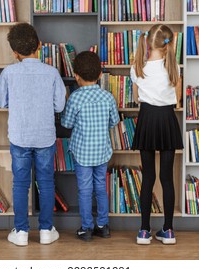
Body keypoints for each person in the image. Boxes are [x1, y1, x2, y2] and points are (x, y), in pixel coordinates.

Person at [0, 23, 66, 246]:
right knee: (46, 182)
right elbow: (59, 105)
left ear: (14, 52)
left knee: (20, 184)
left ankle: (21, 232)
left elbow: (1, 101)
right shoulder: (52, 72)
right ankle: (46, 230)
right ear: (39, 46)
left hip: (20, 136)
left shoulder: (9, 72)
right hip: (45, 136)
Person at [130, 24, 183, 245]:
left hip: (147, 120)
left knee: (149, 177)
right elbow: (177, 99)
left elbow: (136, 99)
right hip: (168, 120)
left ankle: (144, 231)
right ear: (168, 44)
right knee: (167, 178)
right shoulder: (174, 67)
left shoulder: (138, 68)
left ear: (148, 41)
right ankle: (168, 231)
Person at [61, 51, 120, 241]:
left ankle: (86, 228)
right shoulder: (108, 97)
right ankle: (103, 226)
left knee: (85, 190)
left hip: (82, 154)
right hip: (102, 152)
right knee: (101, 187)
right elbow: (114, 121)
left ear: (76, 76)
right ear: (100, 75)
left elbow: (67, 124)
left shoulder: (75, 98)